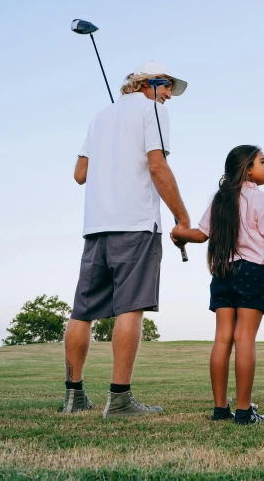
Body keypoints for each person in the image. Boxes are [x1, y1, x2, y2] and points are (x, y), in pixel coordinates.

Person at [62, 61, 191, 419]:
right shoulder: (154, 111)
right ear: (148, 83)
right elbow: (157, 167)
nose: (168, 95)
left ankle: (74, 397)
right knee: (130, 307)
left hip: (96, 227)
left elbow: (80, 174)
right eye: (166, 87)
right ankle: (119, 401)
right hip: (135, 223)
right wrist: (182, 217)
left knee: (82, 312)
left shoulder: (100, 117)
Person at [171, 145, 264, 425]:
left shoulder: (220, 199)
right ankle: (243, 412)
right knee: (245, 340)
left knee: (222, 339)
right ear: (247, 169)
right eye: (263, 162)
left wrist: (180, 234)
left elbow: (201, 234)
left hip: (223, 271)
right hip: (254, 272)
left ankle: (220, 410)